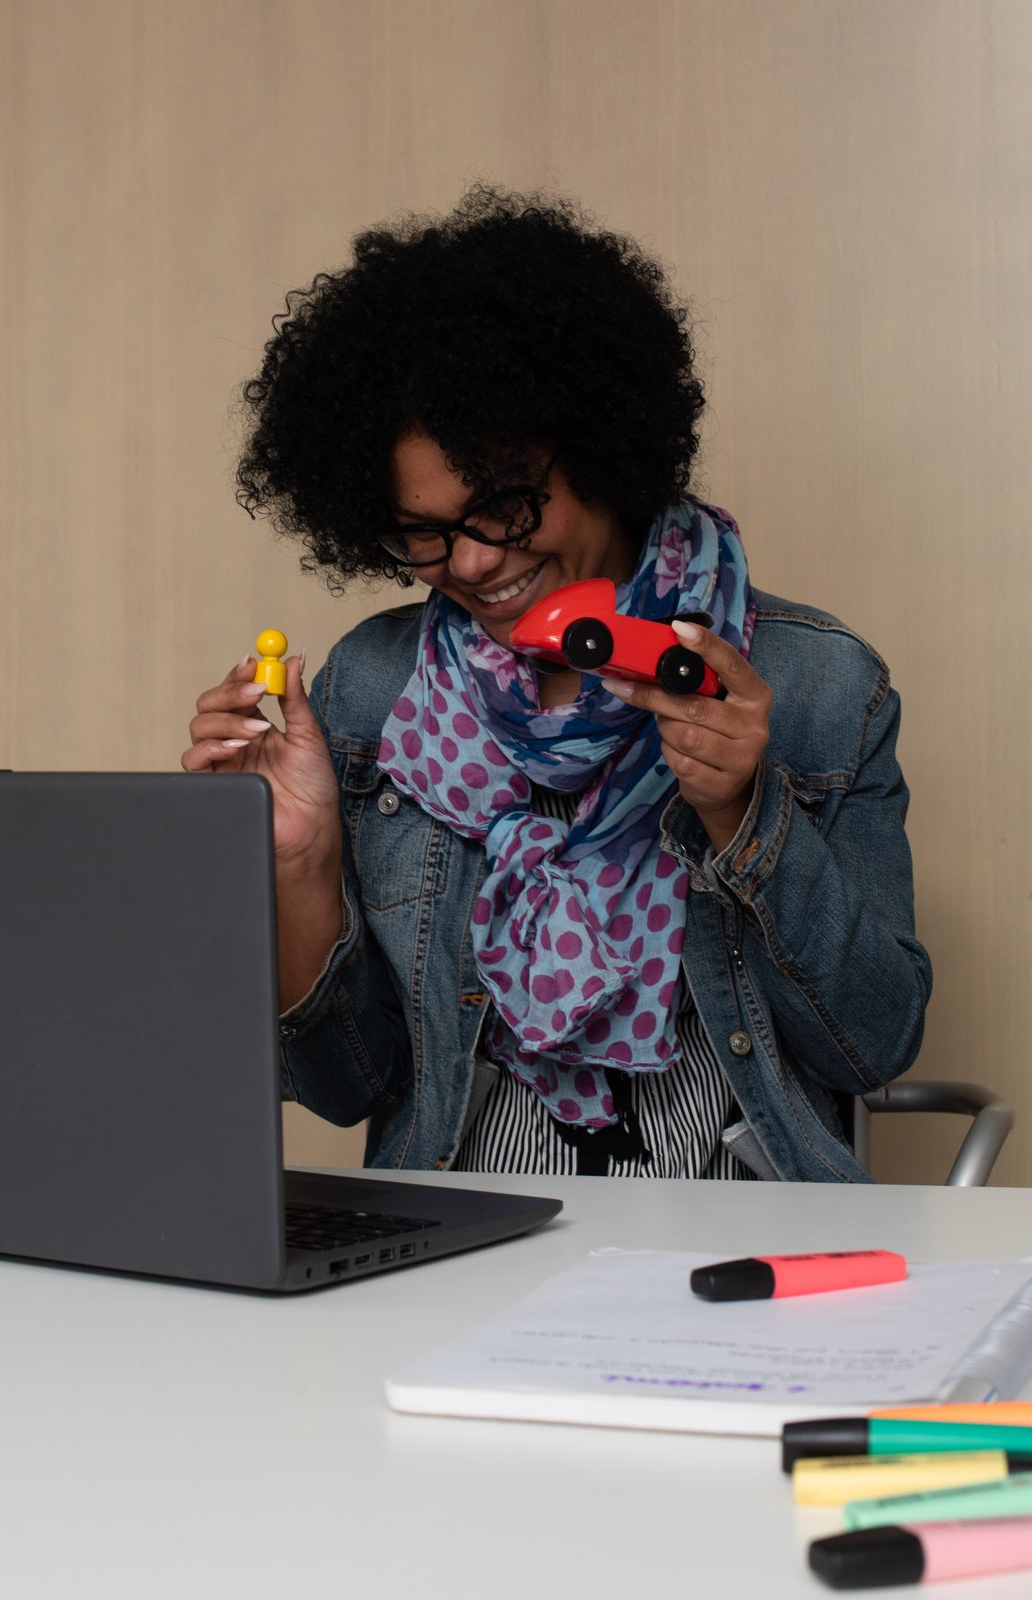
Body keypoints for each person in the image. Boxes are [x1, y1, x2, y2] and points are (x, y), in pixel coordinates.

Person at [182, 185, 931, 1181]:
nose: (475, 563)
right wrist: (301, 865)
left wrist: (747, 816)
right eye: (424, 531)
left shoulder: (817, 685)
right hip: (461, 1237)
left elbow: (873, 1044)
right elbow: (345, 1088)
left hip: (733, 1241)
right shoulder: (376, 691)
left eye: (502, 505)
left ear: (602, 451)